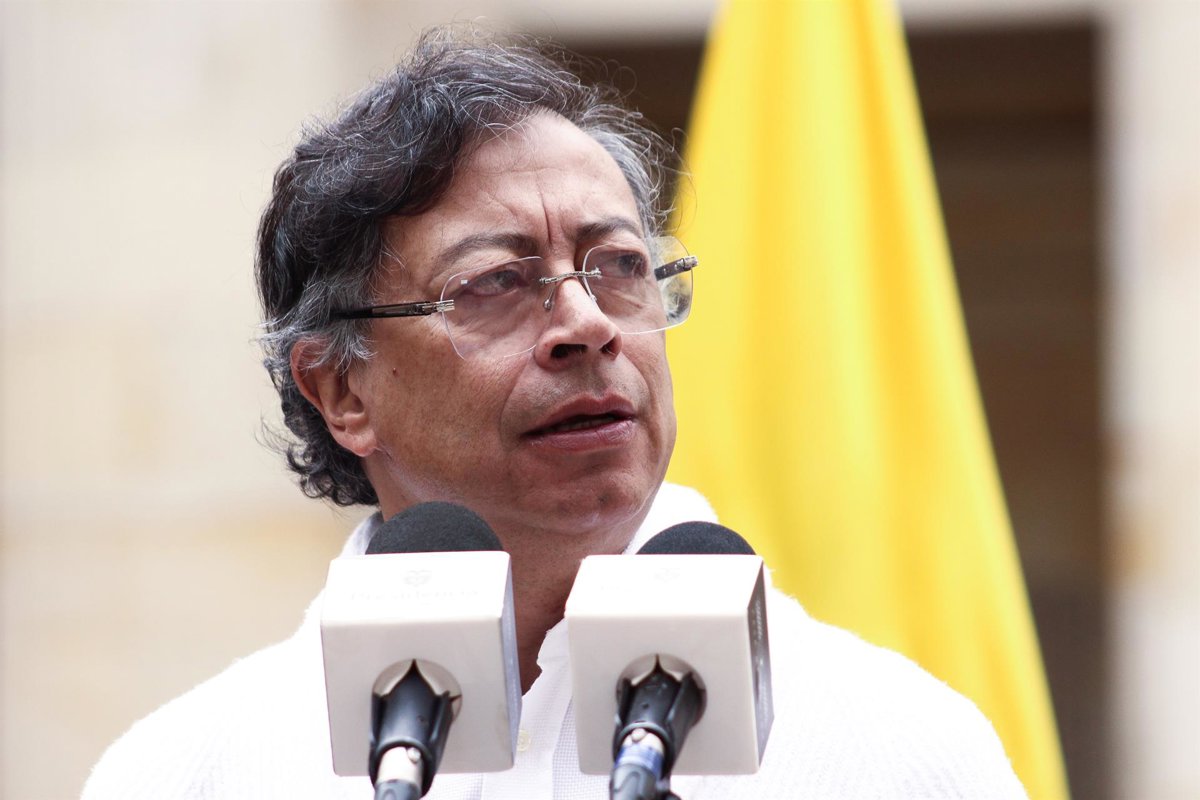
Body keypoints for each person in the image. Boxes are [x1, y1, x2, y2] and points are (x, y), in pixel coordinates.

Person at [82, 27, 1028, 799]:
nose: (586, 325)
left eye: (620, 267)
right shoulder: (190, 773)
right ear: (342, 390)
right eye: (495, 283)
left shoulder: (896, 751)